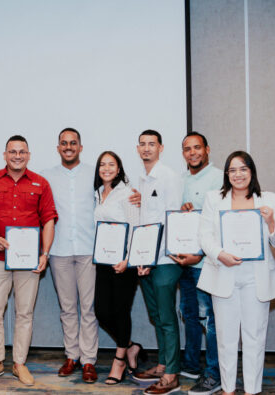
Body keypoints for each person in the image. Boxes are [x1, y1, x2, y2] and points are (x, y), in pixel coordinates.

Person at [196, 151, 275, 395]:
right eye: (232, 170)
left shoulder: (269, 199)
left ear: (252, 171)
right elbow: (204, 236)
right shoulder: (214, 198)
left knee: (255, 336)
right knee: (225, 337)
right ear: (227, 174)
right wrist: (220, 253)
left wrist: (272, 222)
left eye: (243, 169)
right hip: (224, 272)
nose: (238, 174)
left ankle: (252, 390)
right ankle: (228, 388)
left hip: (257, 276)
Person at [0, 135, 58, 386]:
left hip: (29, 260)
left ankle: (19, 364)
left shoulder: (41, 183)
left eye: (22, 151)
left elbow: (49, 220)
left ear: (29, 155)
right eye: (13, 151)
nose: (17, 155)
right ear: (5, 154)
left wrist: (45, 253)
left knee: (25, 312)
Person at [41, 128, 99, 383]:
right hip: (59, 250)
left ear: (80, 147)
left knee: (88, 308)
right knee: (67, 308)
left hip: (89, 249)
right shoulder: (46, 177)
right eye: (64, 143)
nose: (68, 147)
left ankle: (88, 360)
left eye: (73, 143)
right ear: (58, 147)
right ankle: (71, 356)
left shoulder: (94, 174)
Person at [129, 130, 184, 395]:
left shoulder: (169, 177)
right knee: (156, 316)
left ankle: (172, 375)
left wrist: (149, 257)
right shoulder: (140, 178)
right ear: (137, 148)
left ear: (161, 147)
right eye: (143, 144)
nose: (147, 148)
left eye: (152, 144)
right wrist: (140, 257)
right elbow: (143, 221)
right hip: (146, 260)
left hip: (164, 260)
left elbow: (169, 221)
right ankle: (163, 365)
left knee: (166, 317)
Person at [91, 151, 148, 386]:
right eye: (102, 165)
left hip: (124, 264)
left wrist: (127, 260)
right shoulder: (98, 194)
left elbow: (136, 228)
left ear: (119, 168)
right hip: (103, 262)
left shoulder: (127, 194)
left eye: (111, 164)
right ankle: (132, 347)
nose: (106, 168)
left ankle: (119, 359)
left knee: (121, 311)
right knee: (102, 312)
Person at [174, 132, 222, 395]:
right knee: (189, 315)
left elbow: (219, 223)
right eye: (187, 149)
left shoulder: (219, 180)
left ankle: (213, 374)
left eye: (197, 148)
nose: (192, 153)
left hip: (207, 263)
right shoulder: (180, 180)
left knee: (210, 320)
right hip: (184, 262)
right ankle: (191, 365)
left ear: (207, 149)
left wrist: (202, 254)